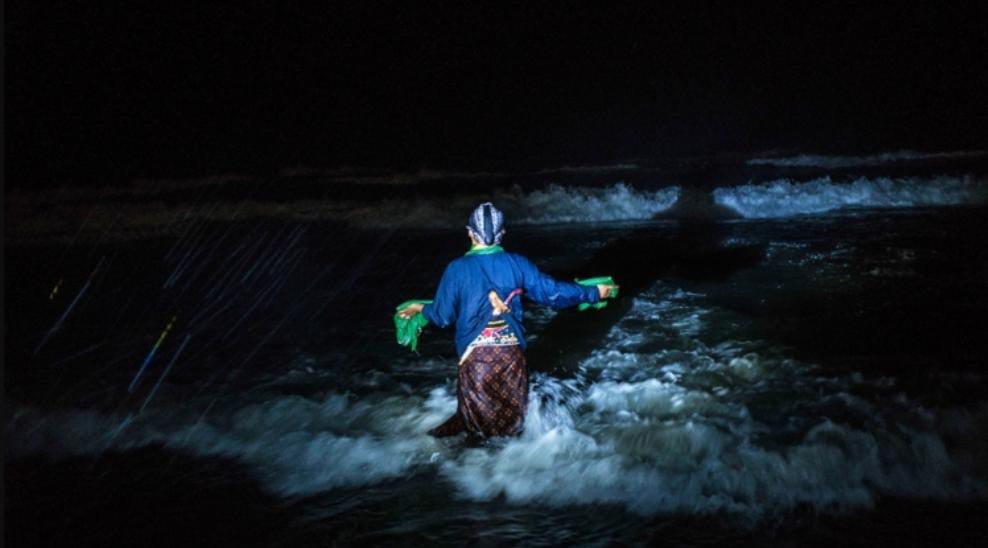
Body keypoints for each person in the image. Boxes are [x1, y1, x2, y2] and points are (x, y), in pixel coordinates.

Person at [398, 202, 618, 437]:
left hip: (475, 357)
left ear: (470, 233)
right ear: (502, 234)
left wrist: (419, 308)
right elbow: (553, 293)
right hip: (511, 355)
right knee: (514, 425)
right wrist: (593, 293)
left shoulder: (457, 268)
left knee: (476, 430)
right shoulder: (517, 263)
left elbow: (442, 317)